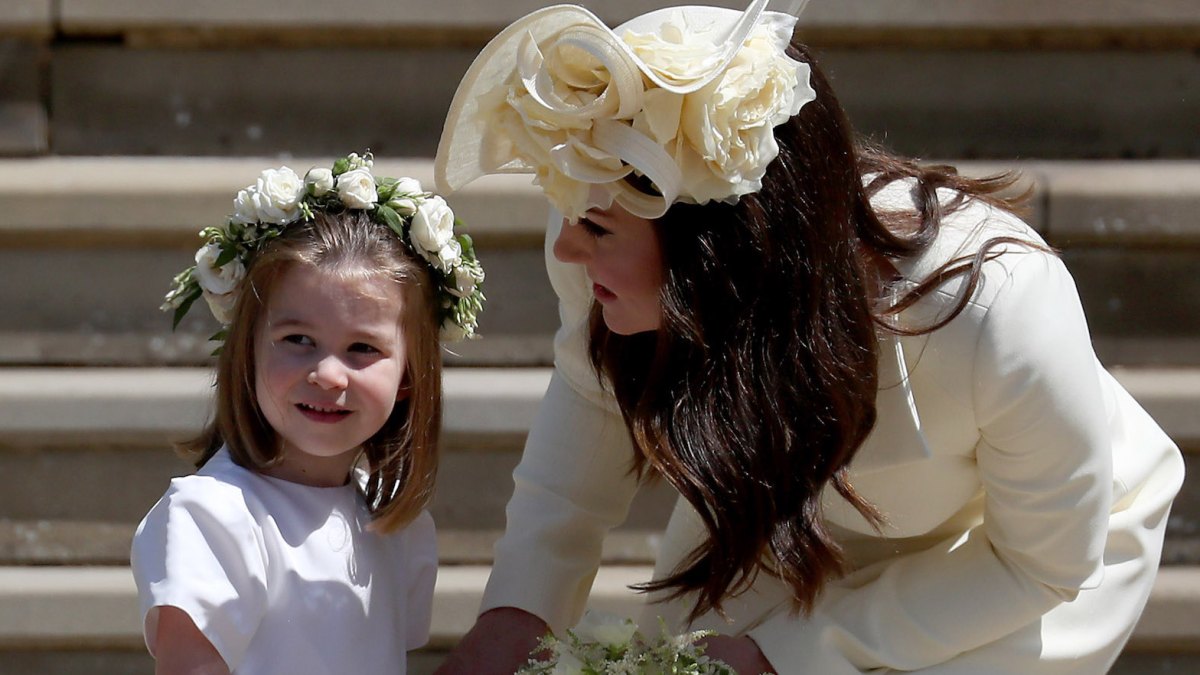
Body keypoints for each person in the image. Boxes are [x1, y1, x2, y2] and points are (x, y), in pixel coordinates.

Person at [431, 1, 1185, 673]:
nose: (565, 248)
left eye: (596, 227)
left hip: (1014, 556)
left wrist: (791, 652)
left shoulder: (996, 306)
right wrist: (519, 612)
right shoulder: (598, 244)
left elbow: (1043, 564)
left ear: (720, 248)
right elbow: (591, 405)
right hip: (787, 505)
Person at [131, 152, 486, 674]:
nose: (328, 374)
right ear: (248, 352)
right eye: (298, 339)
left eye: (363, 348)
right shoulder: (214, 518)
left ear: (410, 376)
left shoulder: (394, 526)